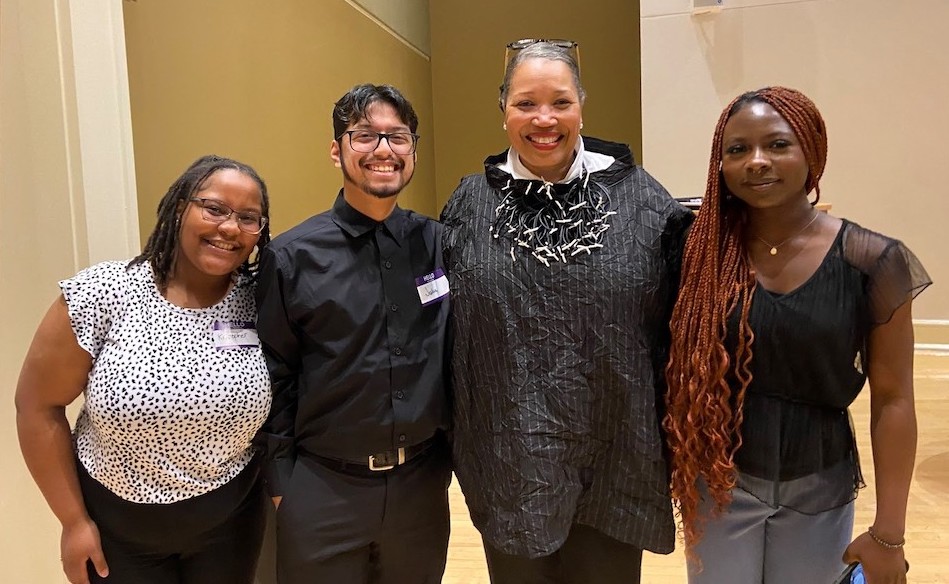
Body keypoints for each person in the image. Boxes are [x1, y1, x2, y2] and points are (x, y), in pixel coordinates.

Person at [440, 40, 693, 583]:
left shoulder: (643, 201)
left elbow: (682, 322)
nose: (544, 119)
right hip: (510, 458)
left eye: (560, 102)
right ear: (502, 109)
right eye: (525, 103)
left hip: (616, 449)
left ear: (583, 104)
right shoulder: (467, 205)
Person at [663, 86, 931, 584]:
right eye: (737, 150)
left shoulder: (873, 261)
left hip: (819, 481)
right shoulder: (698, 256)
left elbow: (894, 399)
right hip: (719, 482)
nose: (757, 161)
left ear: (812, 151)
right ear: (719, 165)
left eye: (778, 145)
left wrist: (889, 533)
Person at [15, 154, 273, 584]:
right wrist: (73, 522)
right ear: (178, 208)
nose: (230, 228)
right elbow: (36, 406)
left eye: (249, 218)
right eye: (213, 208)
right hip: (117, 530)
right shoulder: (104, 292)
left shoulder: (263, 300)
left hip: (231, 526)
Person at [254, 83, 451, 584]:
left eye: (398, 137)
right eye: (364, 136)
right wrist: (284, 486)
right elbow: (274, 370)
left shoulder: (439, 244)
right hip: (323, 487)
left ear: (413, 151)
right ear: (336, 150)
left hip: (420, 487)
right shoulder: (292, 255)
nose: (383, 150)